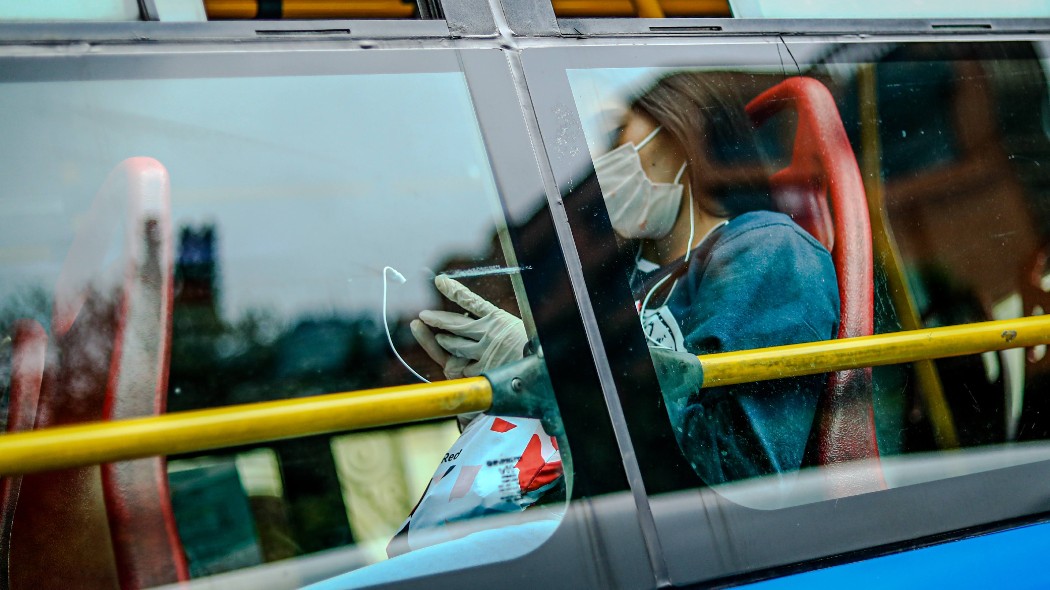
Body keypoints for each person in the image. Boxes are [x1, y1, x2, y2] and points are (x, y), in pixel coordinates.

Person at [413, 72, 840, 488]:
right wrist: (513, 399)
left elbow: (735, 472)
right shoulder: (623, 278)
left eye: (617, 141)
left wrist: (546, 376)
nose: (603, 167)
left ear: (680, 135)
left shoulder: (766, 252)